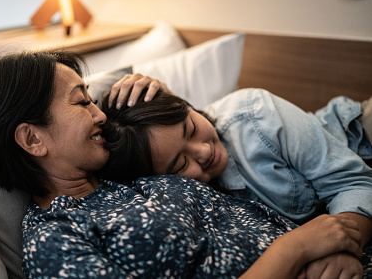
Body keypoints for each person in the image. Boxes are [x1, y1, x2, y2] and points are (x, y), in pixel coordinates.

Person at [0, 52, 366, 278]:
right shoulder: (56, 239)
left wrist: (166, 98)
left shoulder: (120, 176)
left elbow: (164, 135)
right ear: (33, 139)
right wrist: (294, 252)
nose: (99, 115)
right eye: (81, 102)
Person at [99, 73, 372, 278]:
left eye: (192, 128)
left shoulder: (253, 114)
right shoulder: (171, 200)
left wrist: (344, 248)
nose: (204, 151)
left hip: (358, 135)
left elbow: (354, 182)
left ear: (189, 106)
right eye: (181, 164)